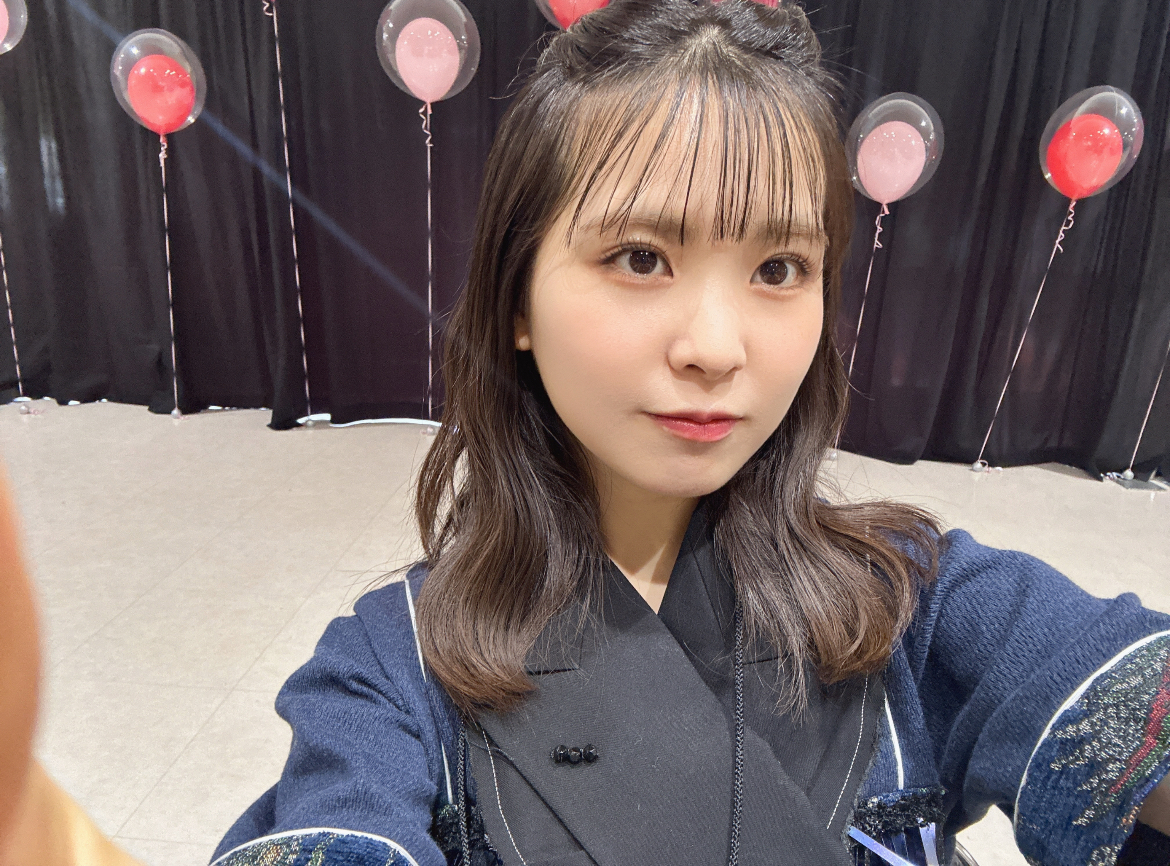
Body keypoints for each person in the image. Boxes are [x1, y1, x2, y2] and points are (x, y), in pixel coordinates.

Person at [2, 2, 1169, 866]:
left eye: (779, 266)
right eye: (641, 256)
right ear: (517, 296)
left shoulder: (920, 602)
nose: (716, 344)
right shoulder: (395, 672)